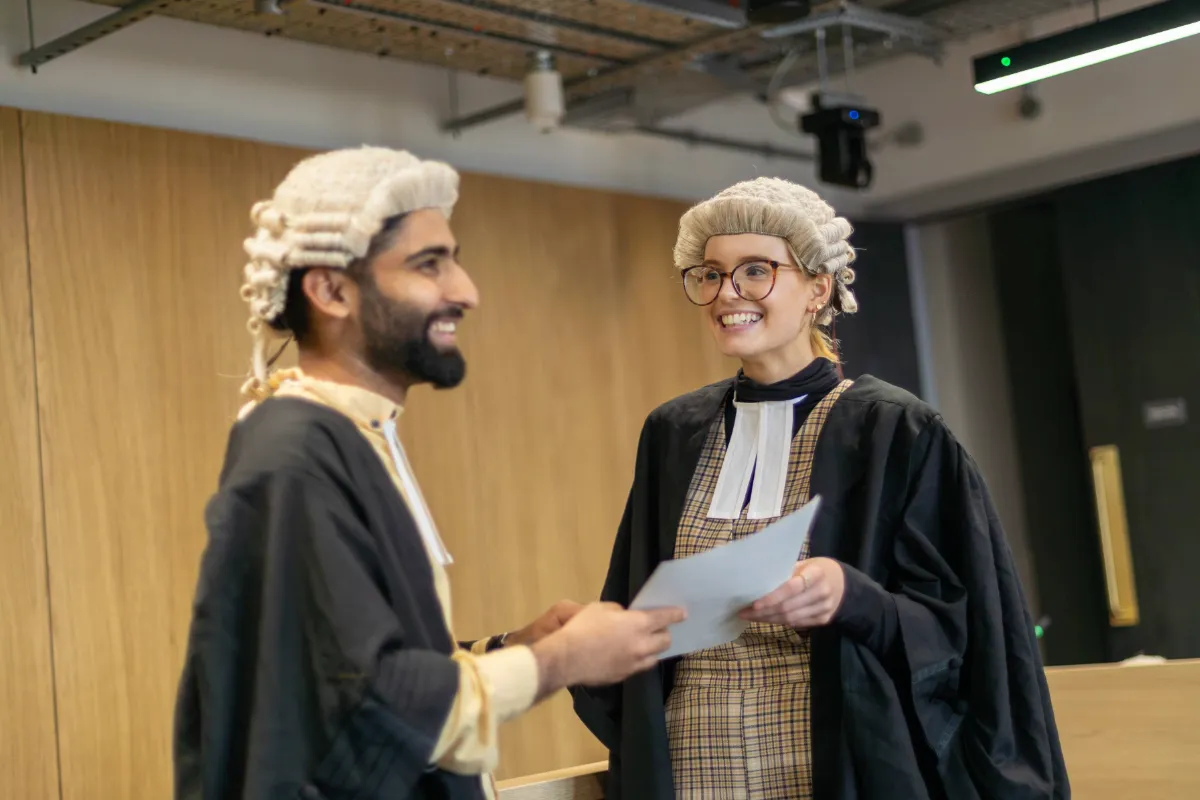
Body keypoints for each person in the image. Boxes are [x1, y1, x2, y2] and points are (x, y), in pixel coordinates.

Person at [172, 146, 684, 800]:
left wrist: (510, 649)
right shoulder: (297, 453)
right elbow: (362, 706)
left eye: (454, 260)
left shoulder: (349, 435)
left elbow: (362, 668)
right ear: (330, 290)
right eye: (428, 265)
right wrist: (563, 660)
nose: (465, 292)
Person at [571, 177, 1070, 799]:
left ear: (818, 287)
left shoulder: (895, 429)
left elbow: (967, 629)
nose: (728, 293)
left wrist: (851, 596)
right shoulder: (673, 432)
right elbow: (632, 607)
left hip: (836, 760)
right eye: (710, 274)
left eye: (756, 271)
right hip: (692, 758)